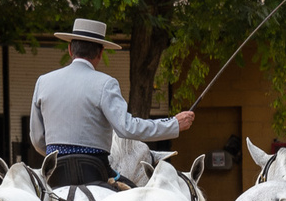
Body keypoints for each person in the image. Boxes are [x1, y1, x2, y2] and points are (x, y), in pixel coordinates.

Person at [28, 18, 195, 187]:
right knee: (135, 199)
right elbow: (127, 128)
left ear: (70, 49)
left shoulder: (43, 82)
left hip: (55, 172)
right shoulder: (105, 83)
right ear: (100, 53)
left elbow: (36, 139)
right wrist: (173, 124)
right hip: (95, 170)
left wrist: (59, 154)